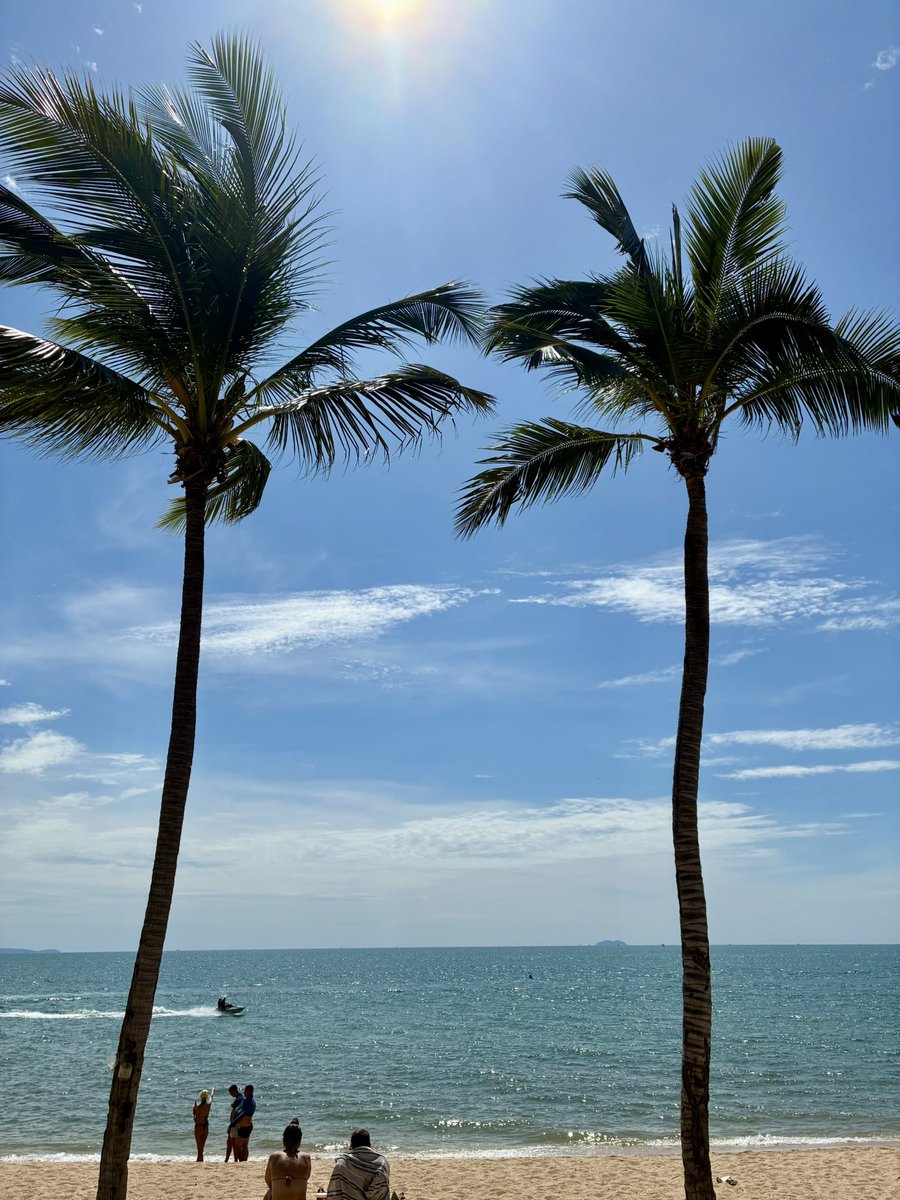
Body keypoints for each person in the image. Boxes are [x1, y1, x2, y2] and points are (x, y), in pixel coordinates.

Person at [326, 1128, 390, 1200]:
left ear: (351, 1144)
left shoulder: (342, 1163)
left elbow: (335, 1193)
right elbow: (382, 1191)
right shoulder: (381, 1162)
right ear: (369, 1144)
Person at [264, 1119, 311, 1200]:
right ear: (299, 1143)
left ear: (283, 1141)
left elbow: (268, 1181)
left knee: (269, 1192)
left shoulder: (274, 1157)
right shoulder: (306, 1158)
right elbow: (306, 1177)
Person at [230, 1083, 257, 1162]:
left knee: (237, 1146)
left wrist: (232, 1124)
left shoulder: (248, 1102)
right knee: (245, 1145)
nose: (244, 1092)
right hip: (249, 1126)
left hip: (244, 1127)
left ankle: (242, 1161)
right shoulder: (252, 1101)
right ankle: (245, 1161)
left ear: (249, 1091)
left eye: (245, 1091)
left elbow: (242, 1114)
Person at [192, 1087, 215, 1161]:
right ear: (206, 1097)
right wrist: (213, 1090)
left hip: (198, 1127)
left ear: (200, 1097)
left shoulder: (197, 1107)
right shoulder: (208, 1105)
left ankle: (199, 1161)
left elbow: (195, 1119)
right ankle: (201, 1161)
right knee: (202, 1147)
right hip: (205, 1127)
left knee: (199, 1148)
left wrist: (194, 1110)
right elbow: (211, 1096)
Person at [224, 1083, 241, 1162]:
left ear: (234, 1091)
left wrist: (231, 1125)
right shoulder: (239, 1098)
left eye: (231, 1093)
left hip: (234, 1124)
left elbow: (235, 1113)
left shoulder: (238, 1100)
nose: (230, 1094)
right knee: (230, 1142)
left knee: (232, 1143)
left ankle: (234, 1159)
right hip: (235, 1123)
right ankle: (229, 1159)